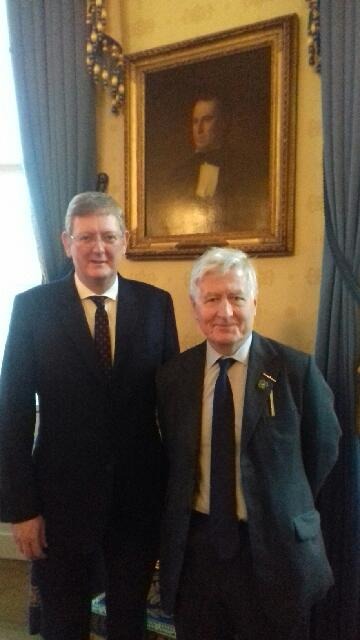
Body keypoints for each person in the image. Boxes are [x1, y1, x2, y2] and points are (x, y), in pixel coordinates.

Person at [0, 192, 179, 640]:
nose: (98, 247)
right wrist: (22, 509)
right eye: (85, 237)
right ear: (66, 242)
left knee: (128, 621)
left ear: (125, 241)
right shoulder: (32, 308)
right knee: (63, 623)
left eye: (108, 236)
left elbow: (174, 408)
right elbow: (13, 413)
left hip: (138, 502)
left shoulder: (157, 305)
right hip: (58, 503)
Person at [156, 247, 340, 640]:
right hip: (197, 553)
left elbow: (323, 449)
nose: (225, 311)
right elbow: (172, 459)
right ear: (194, 306)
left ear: (254, 302)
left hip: (275, 551)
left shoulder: (294, 370)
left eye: (236, 297)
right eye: (212, 299)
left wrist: (284, 502)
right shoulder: (173, 377)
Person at [147, 92, 268, 236]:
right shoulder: (178, 175)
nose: (199, 130)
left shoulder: (246, 170)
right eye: (195, 121)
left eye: (207, 120)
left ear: (224, 123)